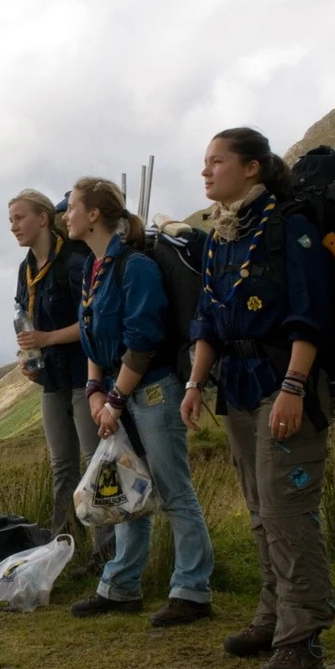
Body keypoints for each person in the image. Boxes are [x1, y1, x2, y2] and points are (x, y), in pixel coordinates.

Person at [181, 127, 333, 669]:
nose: (205, 171)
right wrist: (196, 384)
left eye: (216, 161)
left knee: (288, 515)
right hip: (238, 387)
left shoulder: (289, 226)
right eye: (204, 162)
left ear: (252, 168)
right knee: (259, 511)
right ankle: (271, 619)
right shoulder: (221, 235)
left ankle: (303, 639)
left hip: (282, 382)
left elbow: (310, 313)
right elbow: (209, 318)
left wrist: (294, 387)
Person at [62, 176, 215, 627]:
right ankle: (121, 586)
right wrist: (95, 393)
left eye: (72, 206)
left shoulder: (136, 267)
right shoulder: (94, 270)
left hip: (151, 391)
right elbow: (93, 338)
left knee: (172, 491)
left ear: (93, 214)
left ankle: (192, 590)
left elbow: (143, 340)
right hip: (117, 393)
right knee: (127, 488)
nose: (65, 215)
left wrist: (114, 399)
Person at [9, 188, 114, 569]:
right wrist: (28, 355)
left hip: (84, 376)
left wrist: (47, 339)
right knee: (62, 467)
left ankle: (106, 553)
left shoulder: (73, 259)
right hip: (50, 379)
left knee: (93, 461)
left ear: (42, 218)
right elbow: (26, 314)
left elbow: (92, 320)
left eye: (20, 218)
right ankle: (60, 551)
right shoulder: (25, 267)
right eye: (11, 220)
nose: (14, 227)